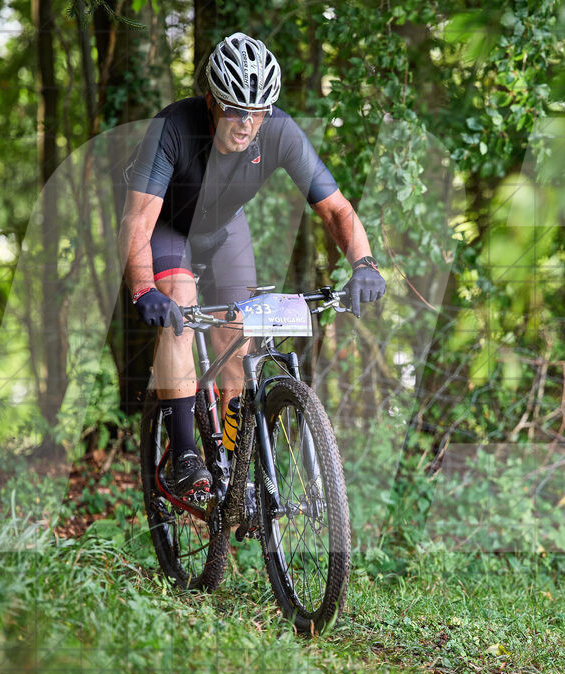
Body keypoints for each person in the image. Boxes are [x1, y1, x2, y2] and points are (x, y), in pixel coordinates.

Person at [119, 32, 385, 501]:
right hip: (169, 229)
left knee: (238, 332)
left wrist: (363, 263)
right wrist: (144, 289)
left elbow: (337, 210)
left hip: (225, 231)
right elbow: (137, 222)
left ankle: (233, 466)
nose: (246, 123)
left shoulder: (279, 131)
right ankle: (185, 456)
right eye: (234, 110)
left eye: (257, 111)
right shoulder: (173, 128)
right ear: (211, 101)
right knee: (180, 306)